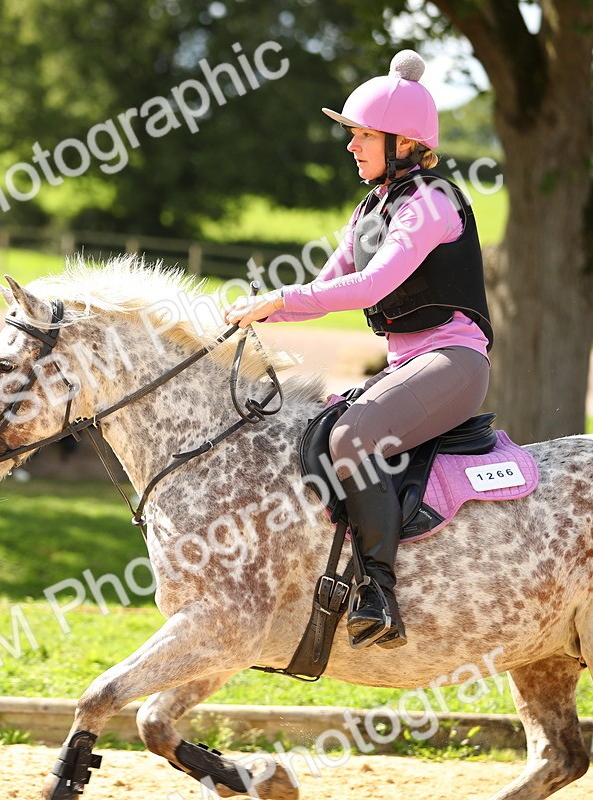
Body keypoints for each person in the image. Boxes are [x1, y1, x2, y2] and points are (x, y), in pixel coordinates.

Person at [223, 50, 493, 651]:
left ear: (402, 141)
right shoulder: (370, 209)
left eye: (363, 134)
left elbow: (372, 287)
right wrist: (257, 310)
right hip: (406, 364)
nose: (351, 146)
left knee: (352, 439)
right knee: (315, 430)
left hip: (454, 361)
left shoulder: (430, 204)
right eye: (352, 134)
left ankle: (379, 592)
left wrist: (278, 298)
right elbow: (324, 287)